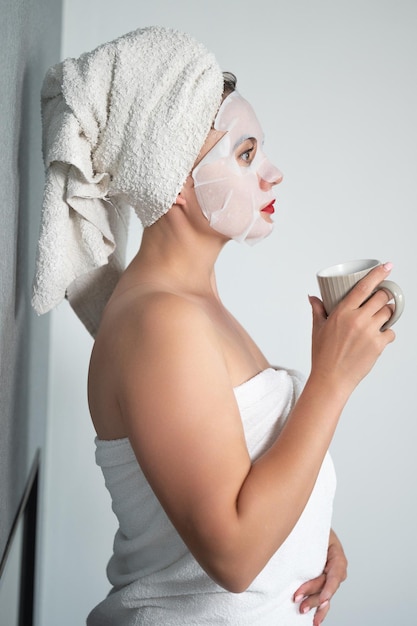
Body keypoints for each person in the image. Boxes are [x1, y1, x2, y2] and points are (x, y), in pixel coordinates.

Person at [32, 26, 396, 626]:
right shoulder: (160, 324)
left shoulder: (189, 308)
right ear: (172, 181)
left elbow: (232, 475)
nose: (271, 174)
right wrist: (333, 378)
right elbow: (232, 553)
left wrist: (308, 534)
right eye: (246, 154)